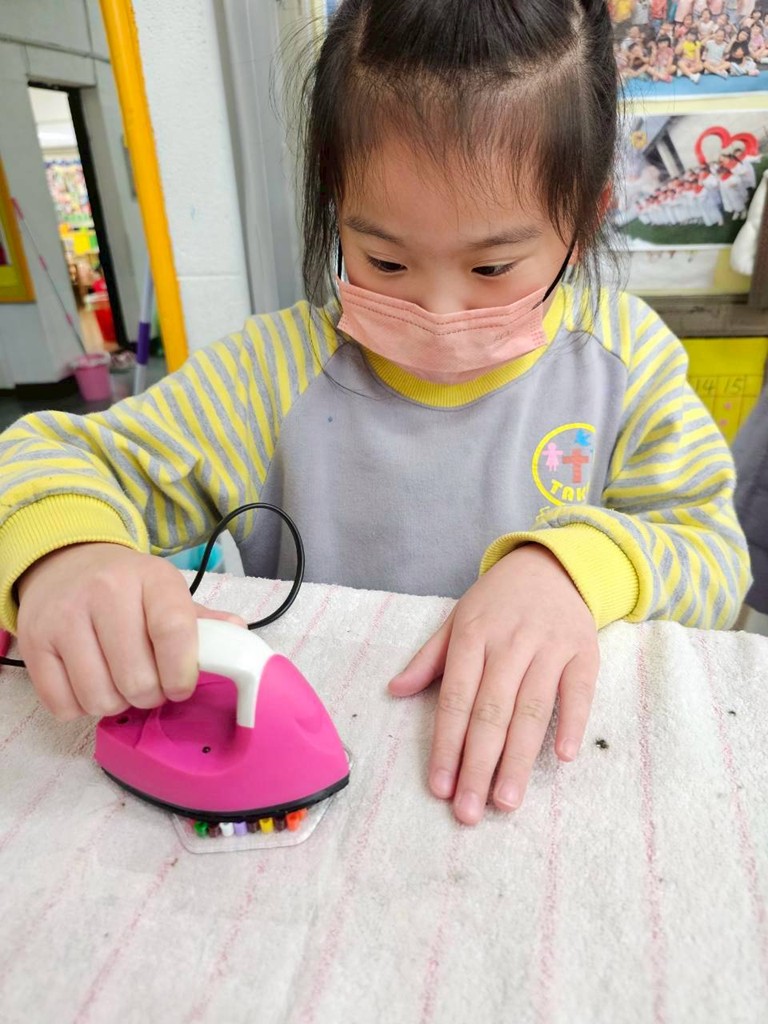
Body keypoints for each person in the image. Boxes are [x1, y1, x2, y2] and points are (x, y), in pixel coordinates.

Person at [0, 0, 750, 827]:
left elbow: (712, 554)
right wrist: (66, 555)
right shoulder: (272, 374)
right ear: (335, 205)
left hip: (542, 799)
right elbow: (42, 458)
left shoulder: (624, 362)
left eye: (492, 268)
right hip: (319, 798)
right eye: (385, 261)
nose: (437, 311)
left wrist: (573, 570)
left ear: (585, 215)